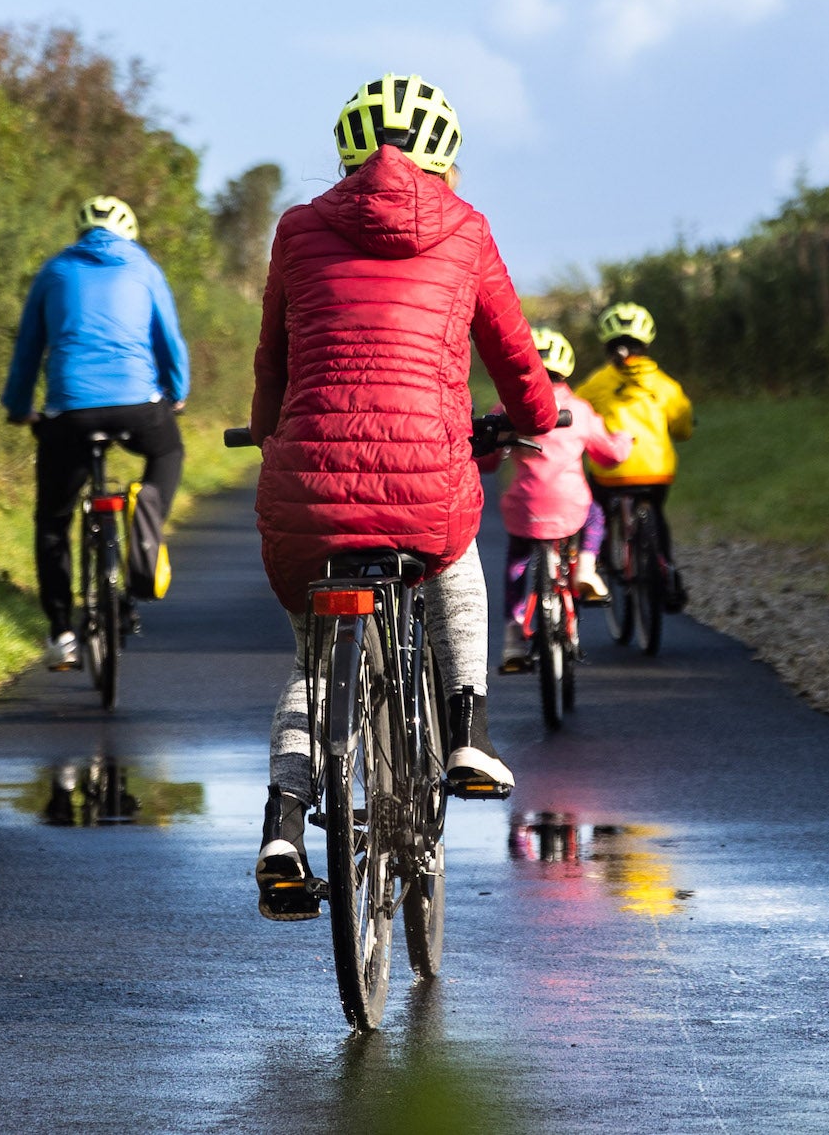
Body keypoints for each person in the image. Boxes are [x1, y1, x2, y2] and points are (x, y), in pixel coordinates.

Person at [246, 74, 557, 921]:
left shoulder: (298, 227)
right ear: (446, 159)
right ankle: (468, 734)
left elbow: (274, 358)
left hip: (307, 483)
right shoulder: (466, 227)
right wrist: (535, 419)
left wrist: (268, 430)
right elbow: (515, 355)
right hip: (427, 475)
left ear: (347, 154)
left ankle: (282, 826)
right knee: (455, 561)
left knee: (314, 663)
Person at [3, 194, 189, 672]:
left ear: (81, 231)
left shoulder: (55, 271)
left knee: (53, 521)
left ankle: (61, 633)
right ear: (129, 232)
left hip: (70, 412)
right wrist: (177, 393)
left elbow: (29, 349)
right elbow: (168, 339)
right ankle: (146, 514)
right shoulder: (144, 268)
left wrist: (20, 409)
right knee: (168, 451)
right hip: (137, 406)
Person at [495, 327, 631, 672]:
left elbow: (487, 461)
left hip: (524, 507)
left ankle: (513, 638)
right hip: (572, 505)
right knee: (596, 515)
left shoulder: (507, 408)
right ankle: (586, 566)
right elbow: (610, 456)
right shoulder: (580, 410)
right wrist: (623, 439)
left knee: (516, 563)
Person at [576, 300, 693, 612]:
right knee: (657, 515)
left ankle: (600, 560)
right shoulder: (665, 384)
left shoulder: (597, 383)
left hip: (611, 472)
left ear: (607, 344)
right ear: (646, 344)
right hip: (656, 472)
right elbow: (683, 427)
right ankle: (666, 571)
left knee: (598, 508)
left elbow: (576, 415)